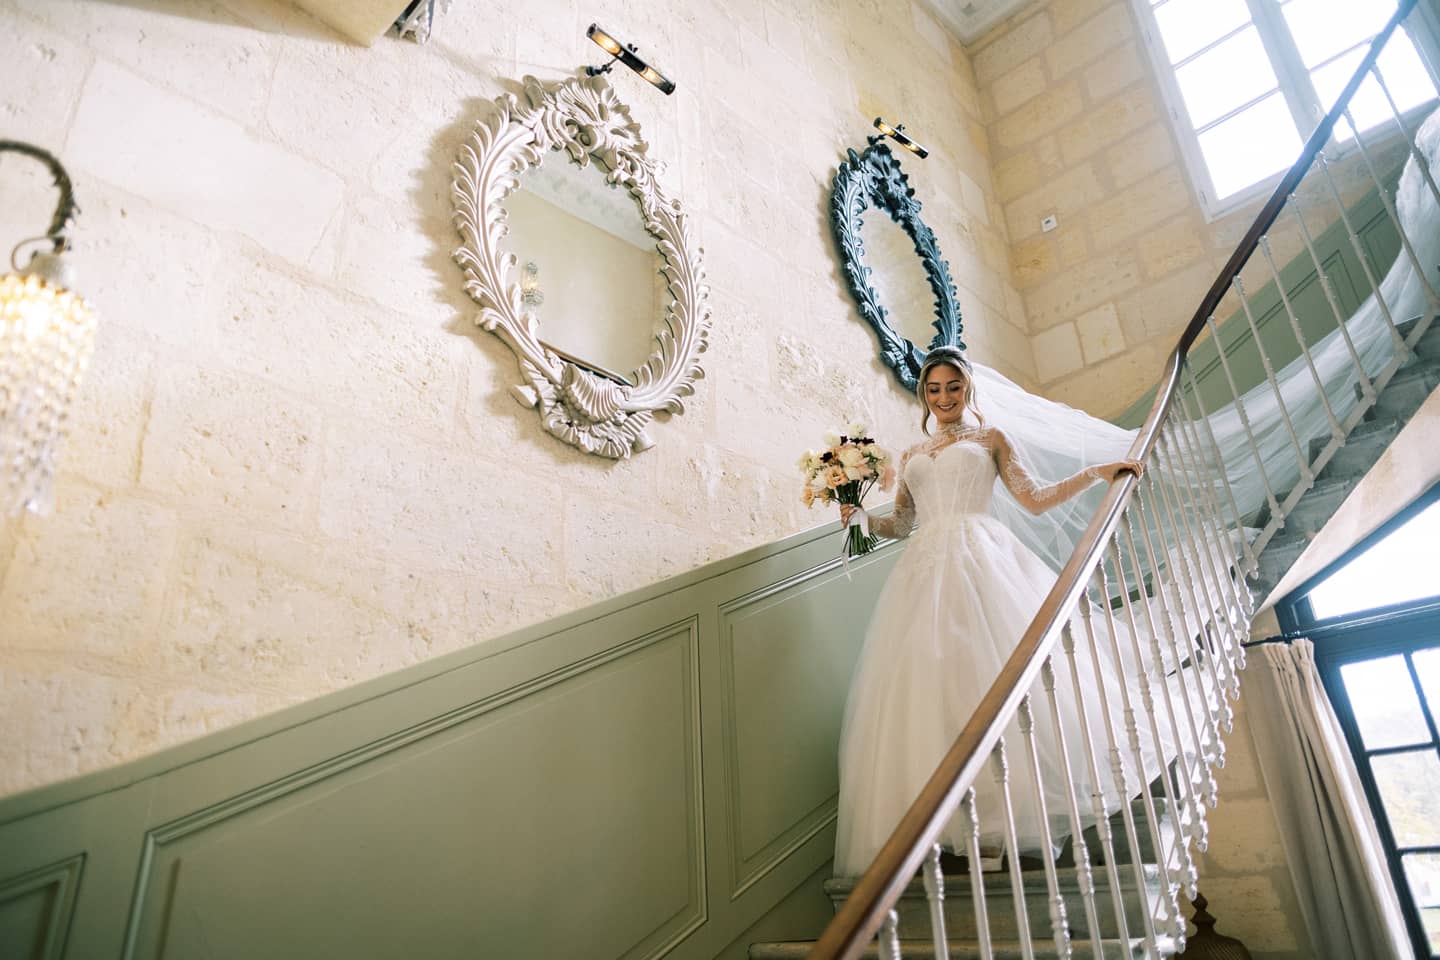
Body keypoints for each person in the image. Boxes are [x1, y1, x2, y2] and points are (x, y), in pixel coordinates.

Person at [833, 345, 1166, 877]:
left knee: (992, 680)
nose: (943, 398)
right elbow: (901, 525)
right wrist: (856, 517)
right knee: (933, 688)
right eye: (934, 389)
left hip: (981, 557)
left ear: (968, 388)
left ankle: (997, 826)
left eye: (953, 387)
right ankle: (954, 827)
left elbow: (1033, 498)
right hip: (924, 572)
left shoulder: (991, 439)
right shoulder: (910, 452)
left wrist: (1094, 473)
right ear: (924, 395)